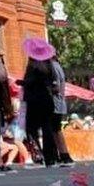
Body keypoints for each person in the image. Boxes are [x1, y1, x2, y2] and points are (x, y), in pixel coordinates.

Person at [21, 38, 60, 167]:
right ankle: (51, 157)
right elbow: (54, 83)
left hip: (34, 100)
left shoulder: (32, 66)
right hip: (47, 99)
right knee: (47, 128)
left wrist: (21, 83)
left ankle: (37, 154)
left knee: (31, 128)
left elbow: (29, 82)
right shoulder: (49, 65)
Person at [49, 56, 75, 166]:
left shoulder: (52, 67)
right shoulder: (57, 66)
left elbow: (56, 87)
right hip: (58, 103)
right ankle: (62, 154)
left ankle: (64, 153)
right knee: (55, 129)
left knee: (55, 129)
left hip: (54, 103)